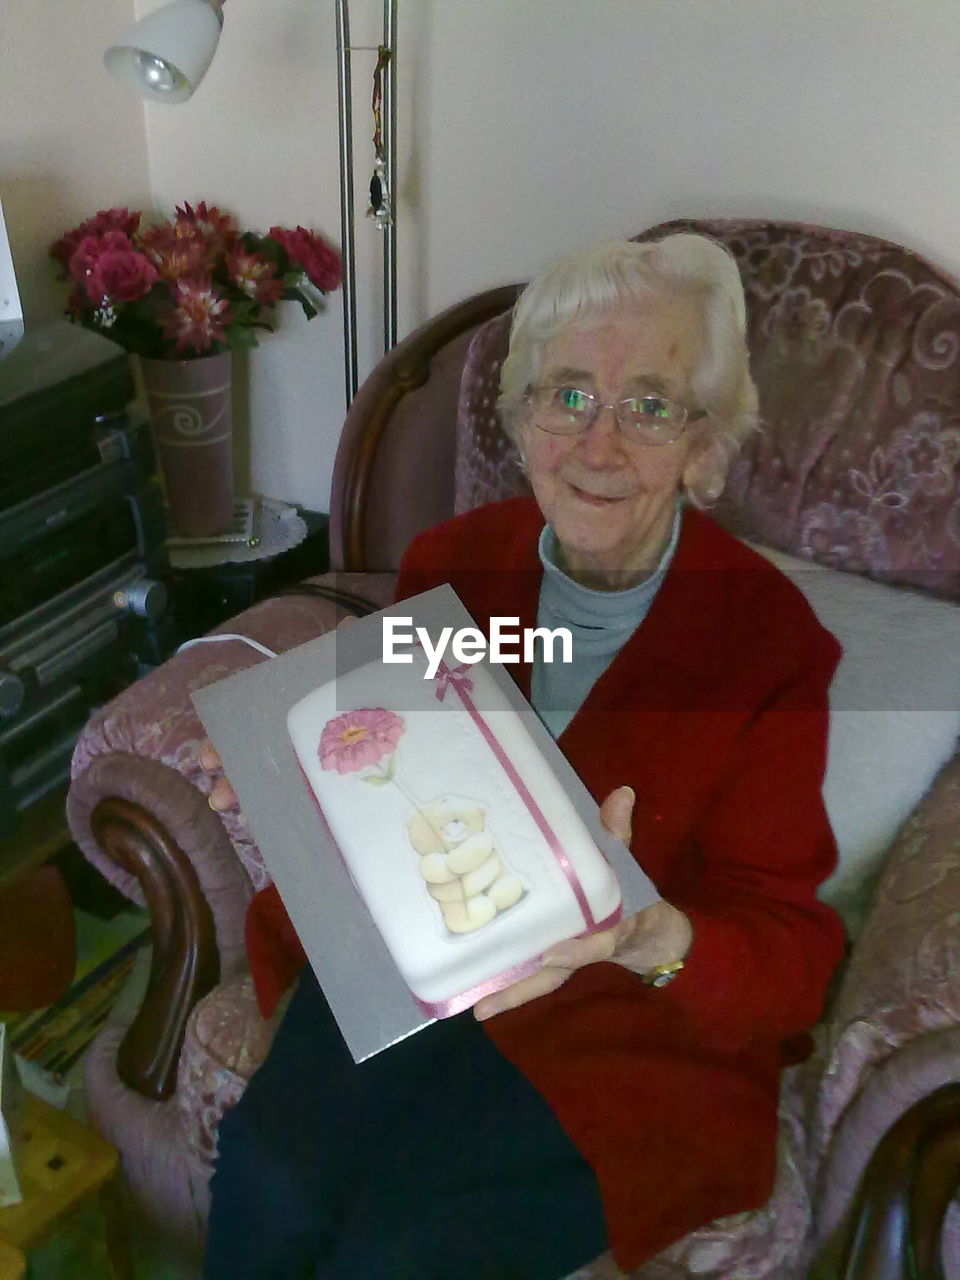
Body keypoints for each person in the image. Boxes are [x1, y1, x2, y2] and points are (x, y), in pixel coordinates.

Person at [201, 235, 845, 1280]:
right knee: (269, 1169)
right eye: (570, 393)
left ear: (704, 445)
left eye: (649, 403)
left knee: (405, 1253)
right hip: (422, 965)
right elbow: (396, 786)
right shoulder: (451, 564)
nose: (599, 442)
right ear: (522, 416)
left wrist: (650, 933)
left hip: (616, 1032)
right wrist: (300, 780)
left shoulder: (768, 643)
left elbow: (788, 956)